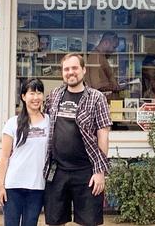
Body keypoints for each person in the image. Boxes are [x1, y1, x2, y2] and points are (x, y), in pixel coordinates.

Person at [44, 53, 111, 226]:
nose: (70, 72)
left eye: (74, 68)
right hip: (56, 171)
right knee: (54, 221)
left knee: (90, 222)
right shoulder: (53, 96)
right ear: (62, 72)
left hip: (86, 172)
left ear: (83, 70)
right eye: (66, 69)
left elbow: (103, 134)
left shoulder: (97, 98)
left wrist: (100, 171)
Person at [0, 79, 49, 226]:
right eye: (32, 93)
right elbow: (4, 157)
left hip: (37, 186)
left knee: (30, 223)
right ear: (23, 96)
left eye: (39, 93)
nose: (36, 97)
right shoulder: (12, 123)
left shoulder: (49, 121)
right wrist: (1, 186)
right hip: (14, 186)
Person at [84, 32, 122, 98]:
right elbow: (96, 85)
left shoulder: (101, 56)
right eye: (113, 47)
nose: (114, 50)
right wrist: (115, 87)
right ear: (106, 43)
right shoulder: (96, 57)